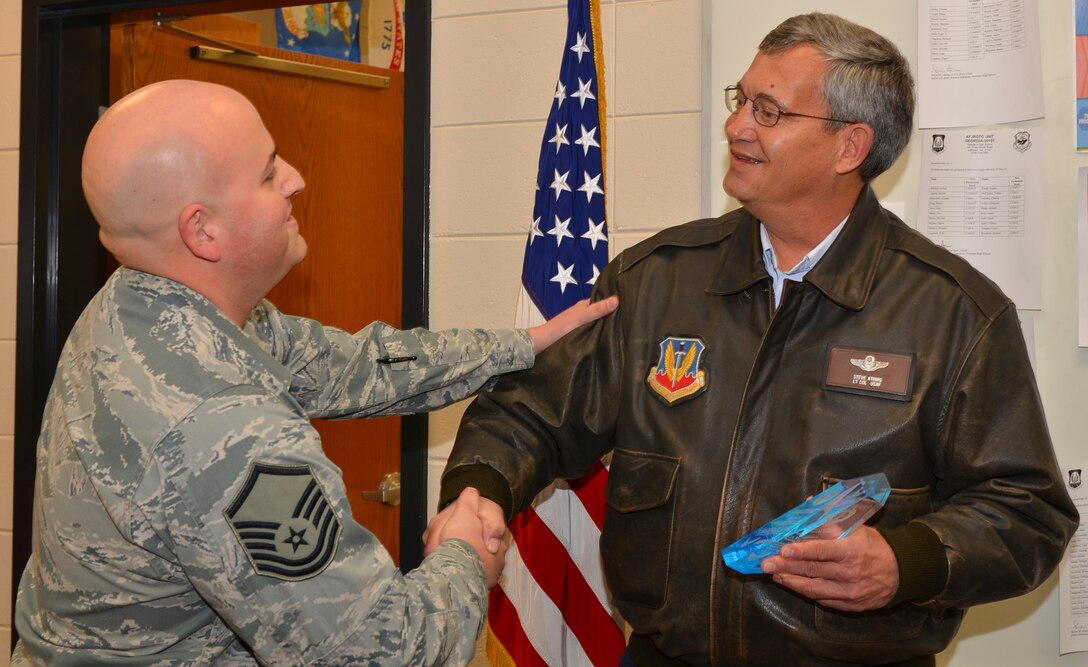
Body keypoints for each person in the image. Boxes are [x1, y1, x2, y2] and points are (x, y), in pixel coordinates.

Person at [437, 12, 1079, 667]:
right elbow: (528, 415)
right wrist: (476, 495)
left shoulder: (953, 312)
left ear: (849, 146)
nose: (737, 126)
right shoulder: (656, 280)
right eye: (741, 100)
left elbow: (1029, 514)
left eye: (768, 111)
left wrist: (903, 562)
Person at [11, 79, 617, 666]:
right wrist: (461, 556)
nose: (296, 181)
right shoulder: (228, 428)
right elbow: (384, 654)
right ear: (203, 230)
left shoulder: (142, 303)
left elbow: (346, 366)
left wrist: (519, 345)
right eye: (270, 172)